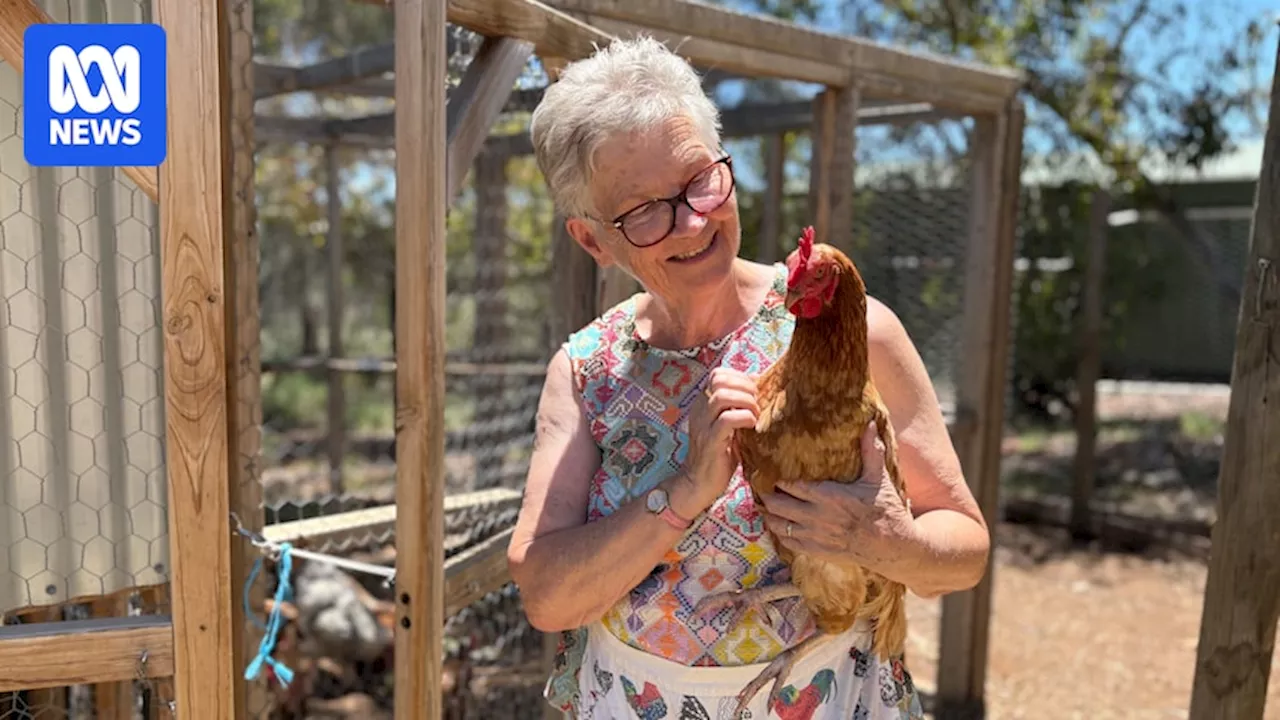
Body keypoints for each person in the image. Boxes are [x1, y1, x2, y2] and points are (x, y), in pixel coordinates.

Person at [508, 35, 990, 720]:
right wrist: (681, 494)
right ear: (592, 240)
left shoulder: (849, 333)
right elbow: (548, 597)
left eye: (699, 179)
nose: (693, 221)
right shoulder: (590, 370)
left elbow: (965, 553)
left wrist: (885, 541)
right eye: (644, 211)